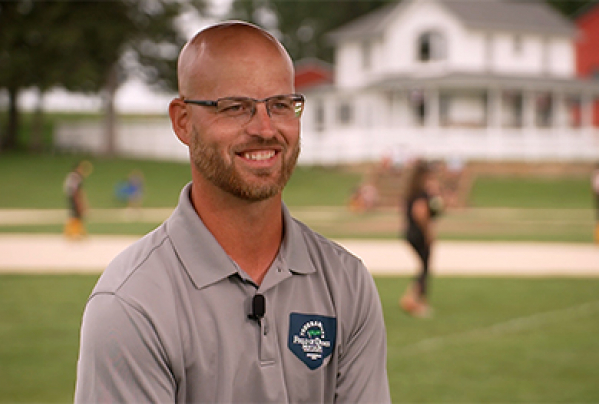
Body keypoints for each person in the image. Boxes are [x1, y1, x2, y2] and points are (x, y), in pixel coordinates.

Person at [74, 21, 390, 404]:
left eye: (280, 105)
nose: (264, 128)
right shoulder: (131, 303)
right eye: (236, 107)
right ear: (183, 122)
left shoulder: (346, 283)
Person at [399, 160, 443, 318]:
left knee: (422, 267)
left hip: (411, 232)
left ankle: (412, 297)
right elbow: (420, 212)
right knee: (424, 267)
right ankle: (414, 300)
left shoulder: (413, 191)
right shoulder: (421, 193)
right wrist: (428, 232)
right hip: (418, 233)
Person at [63, 160, 90, 239]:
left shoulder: (72, 176)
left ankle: (75, 232)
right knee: (76, 215)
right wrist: (79, 201)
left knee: (75, 215)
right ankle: (74, 232)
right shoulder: (75, 177)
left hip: (72, 196)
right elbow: (76, 190)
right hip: (74, 197)